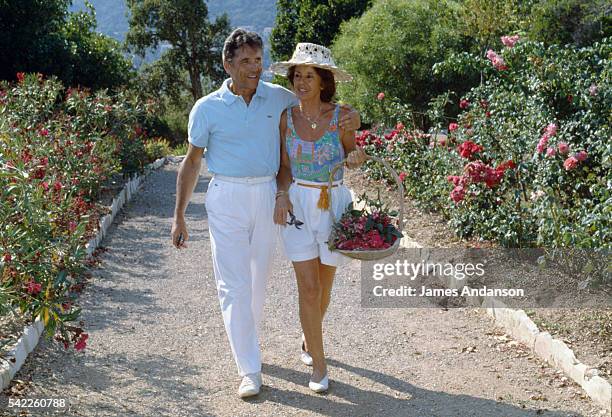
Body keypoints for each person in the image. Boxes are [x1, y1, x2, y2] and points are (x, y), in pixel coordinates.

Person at [171, 29, 360, 398]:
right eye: (246, 61)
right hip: (227, 196)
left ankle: (278, 341)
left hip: (269, 194)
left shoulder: (280, 99)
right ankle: (249, 368)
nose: (255, 68)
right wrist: (179, 215)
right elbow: (192, 162)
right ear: (228, 64)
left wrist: (354, 117)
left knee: (259, 283)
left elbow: (321, 104)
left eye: (259, 60)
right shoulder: (206, 107)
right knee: (235, 285)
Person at [270, 43, 367, 393]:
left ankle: (308, 337)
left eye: (308, 75)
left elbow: (353, 151)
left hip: (332, 203)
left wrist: (358, 157)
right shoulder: (286, 118)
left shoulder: (341, 116)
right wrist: (282, 194)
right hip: (297, 204)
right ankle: (320, 366)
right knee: (308, 288)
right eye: (297, 75)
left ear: (323, 80)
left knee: (324, 289)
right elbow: (283, 167)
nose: (301, 81)